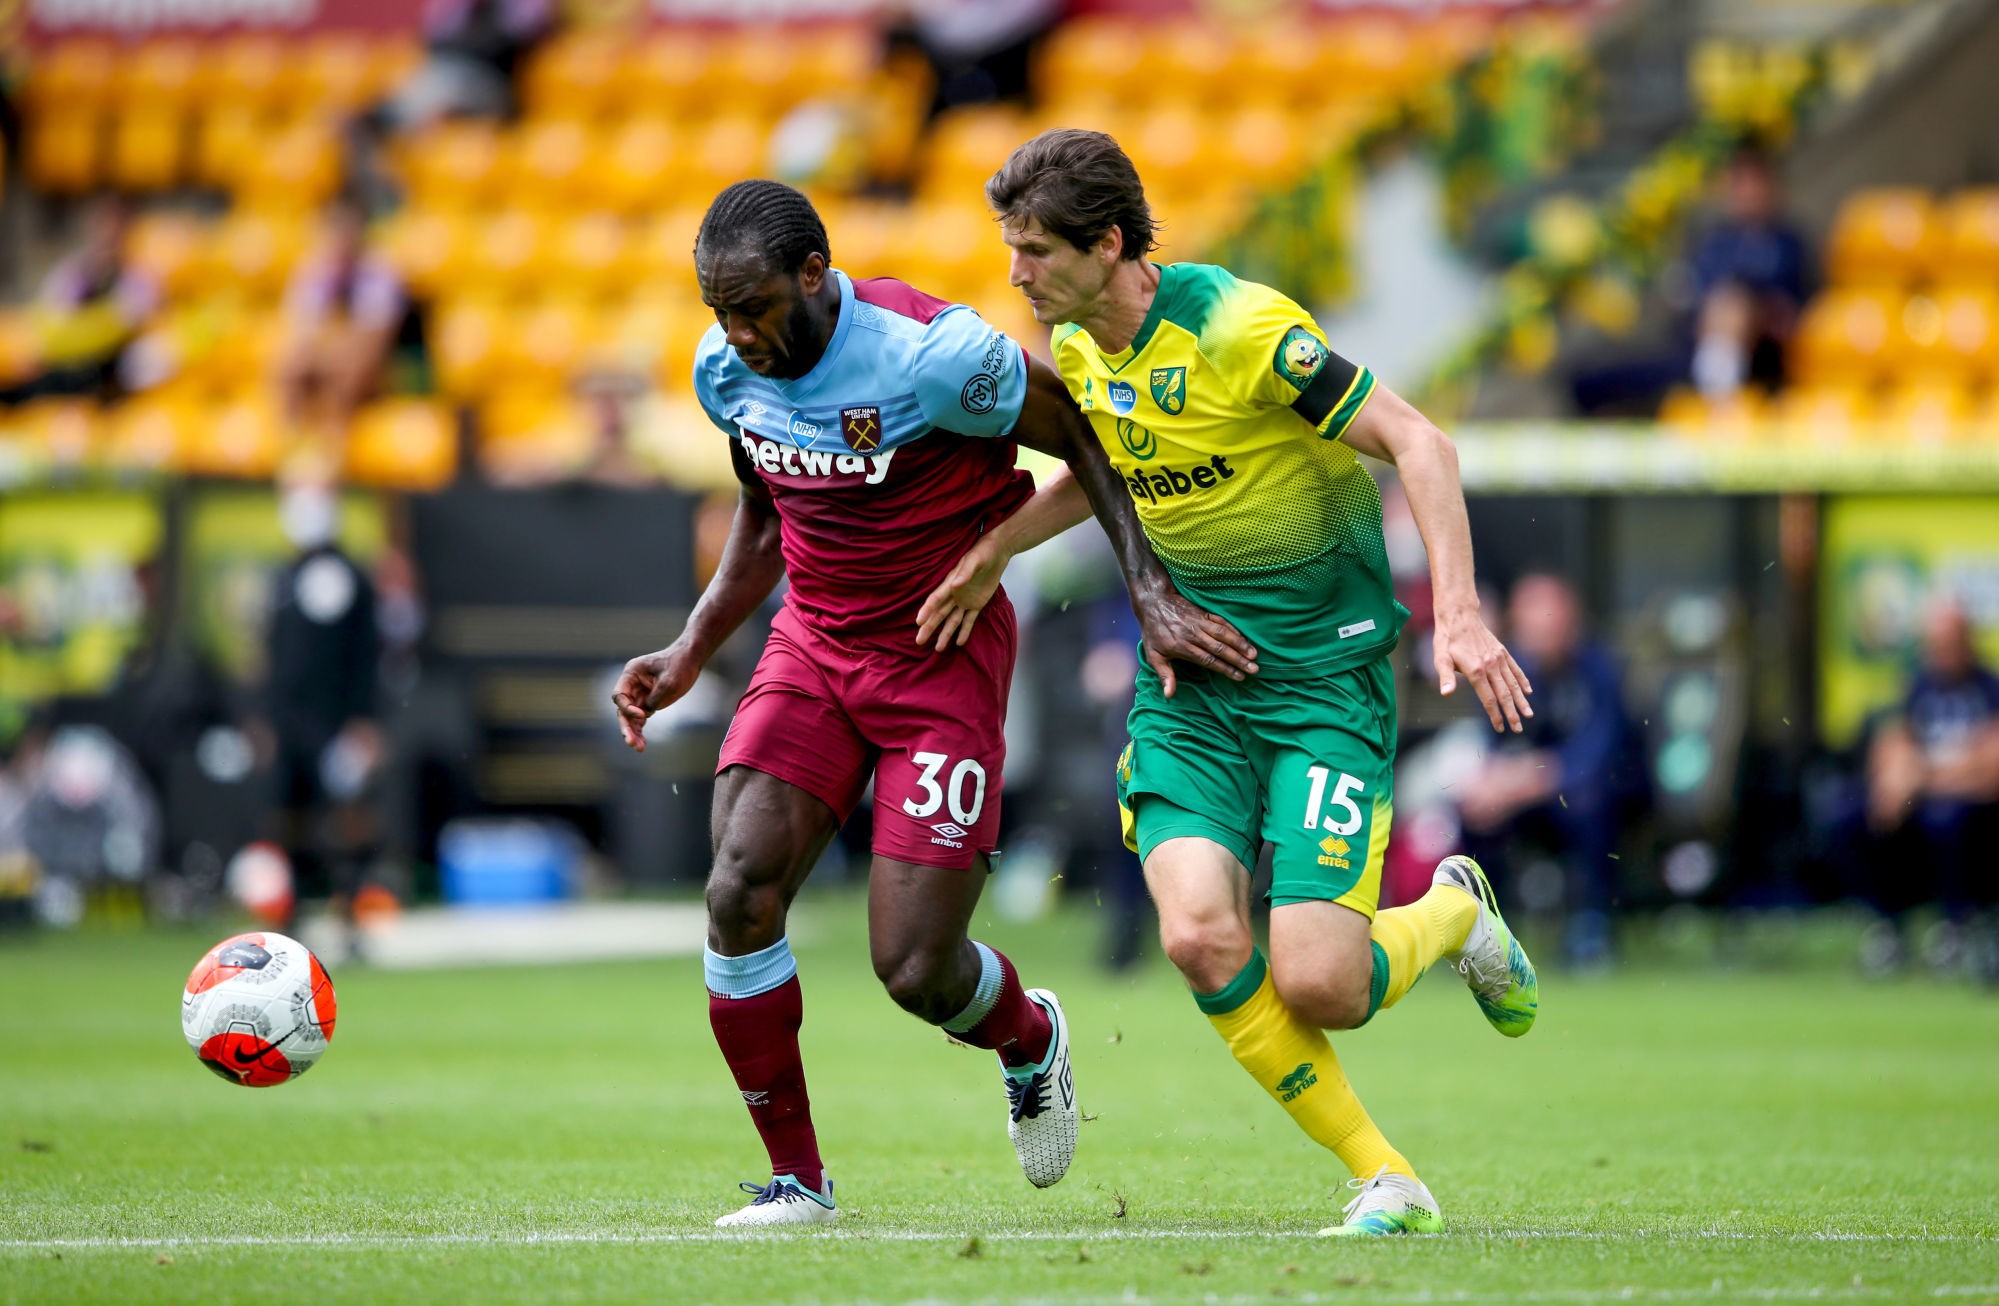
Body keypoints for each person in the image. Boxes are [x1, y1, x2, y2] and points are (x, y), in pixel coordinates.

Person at [918, 129, 1539, 1237]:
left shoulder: (1240, 330)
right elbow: (1105, 463)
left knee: (1320, 986)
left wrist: (1459, 614)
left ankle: (1451, 912)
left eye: (1035, 251)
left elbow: (1421, 443)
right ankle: (1384, 1175)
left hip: (1324, 681)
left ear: (1108, 245)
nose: (1015, 274)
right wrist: (999, 546)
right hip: (1193, 683)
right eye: (1009, 249)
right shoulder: (1078, 343)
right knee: (1199, 933)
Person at [608, 179, 1255, 1229]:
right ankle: (798, 1183)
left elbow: (1087, 439)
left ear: (814, 276)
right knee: (737, 889)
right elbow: (767, 507)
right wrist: (690, 647)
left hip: (936, 655)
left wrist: (1148, 593)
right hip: (813, 644)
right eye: (716, 312)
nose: (736, 333)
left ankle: (1027, 1037)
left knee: (913, 967)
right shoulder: (727, 367)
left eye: (754, 306)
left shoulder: (935, 358)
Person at [1455, 573, 1635, 968]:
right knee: (1475, 808)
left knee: (1587, 801)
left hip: (1604, 801)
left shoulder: (1600, 672)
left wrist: (1525, 781)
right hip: (1531, 803)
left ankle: (1592, 927)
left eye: (1549, 621)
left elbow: (1593, 757)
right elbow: (1494, 745)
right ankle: (1483, 932)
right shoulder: (1510, 670)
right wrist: (1494, 783)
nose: (1539, 632)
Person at [1856, 595, 1999, 975]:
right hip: (1920, 802)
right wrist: (1896, 779)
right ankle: (1888, 928)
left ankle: (1960, 927)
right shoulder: (1916, 685)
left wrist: (1923, 775)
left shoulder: (1989, 688)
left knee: (1949, 818)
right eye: (1935, 643)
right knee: (1857, 811)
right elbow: (1890, 745)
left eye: (1950, 642)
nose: (1942, 652)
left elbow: (1991, 762)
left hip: (1973, 808)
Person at [273, 198, 411, 434]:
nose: (342, 239)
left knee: (347, 371)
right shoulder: (312, 268)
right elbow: (301, 328)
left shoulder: (381, 270)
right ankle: (289, 442)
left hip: (372, 362)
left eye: (348, 230)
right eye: (336, 230)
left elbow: (376, 338)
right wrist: (321, 353)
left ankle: (337, 444)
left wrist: (333, 352)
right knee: (289, 368)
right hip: (322, 352)